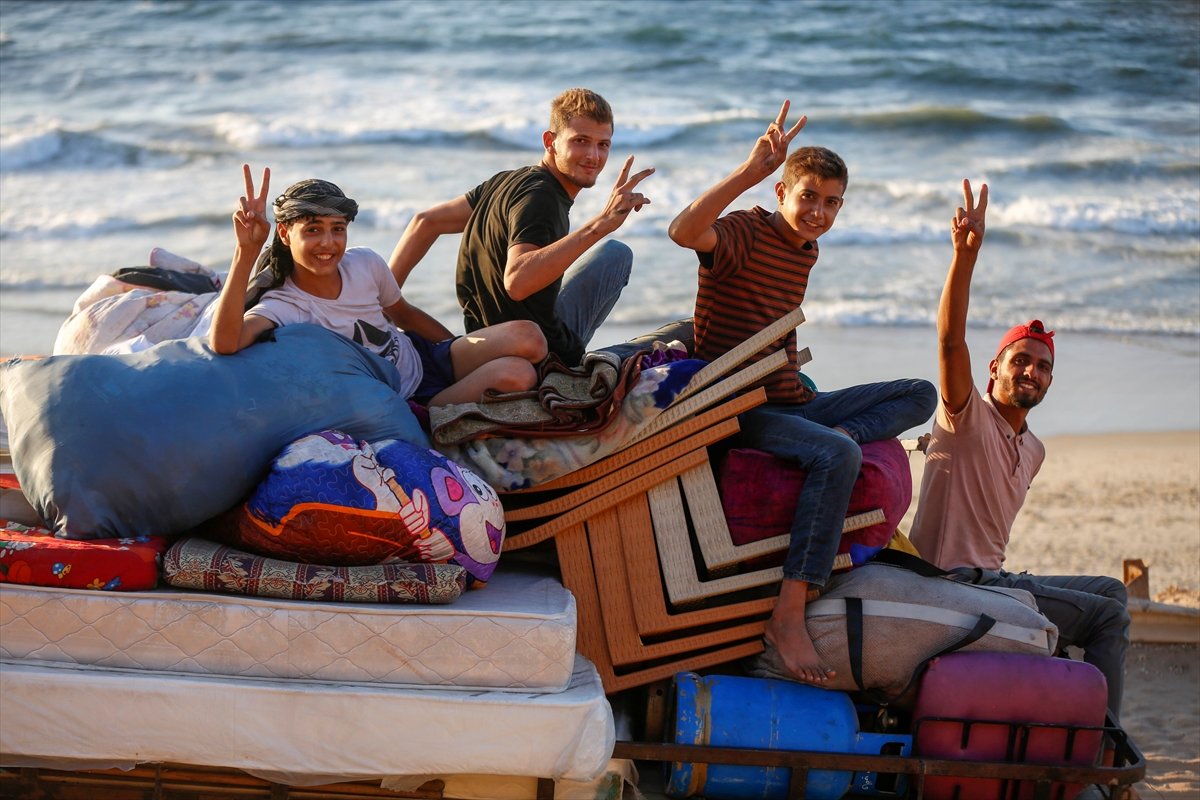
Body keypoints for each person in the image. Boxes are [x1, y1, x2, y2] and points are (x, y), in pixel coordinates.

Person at [668, 101, 937, 685]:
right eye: (808, 196)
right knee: (835, 456)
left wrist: (817, 400)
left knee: (920, 392)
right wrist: (748, 171)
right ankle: (788, 615)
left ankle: (843, 432)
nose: (818, 211)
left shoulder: (805, 250)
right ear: (784, 191)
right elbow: (682, 230)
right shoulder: (743, 230)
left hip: (789, 397)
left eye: (831, 202)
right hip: (737, 406)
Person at [909, 179, 1131, 720]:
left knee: (1109, 592)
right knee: (1108, 620)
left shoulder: (1034, 450)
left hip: (998, 579)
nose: (1031, 371)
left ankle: (1065, 707)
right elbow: (949, 339)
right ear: (995, 369)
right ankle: (1098, 739)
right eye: (1020, 361)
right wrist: (965, 257)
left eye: (1043, 365)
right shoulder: (964, 414)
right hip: (953, 581)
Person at [209, 166, 547, 407]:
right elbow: (225, 342)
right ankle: (443, 411)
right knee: (518, 375)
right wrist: (246, 251)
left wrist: (458, 352)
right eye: (312, 230)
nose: (328, 243)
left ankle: (466, 381)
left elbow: (405, 314)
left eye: (337, 229)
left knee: (529, 337)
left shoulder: (365, 262)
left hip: (423, 356)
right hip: (405, 398)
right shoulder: (286, 304)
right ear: (284, 234)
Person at [388, 87, 654, 366]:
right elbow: (517, 281)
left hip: (486, 341)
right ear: (550, 141)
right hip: (538, 352)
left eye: (603, 144)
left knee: (615, 254)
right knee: (657, 340)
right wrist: (600, 224)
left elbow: (425, 222)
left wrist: (382, 297)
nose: (593, 156)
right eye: (581, 141)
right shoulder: (543, 198)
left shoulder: (505, 181)